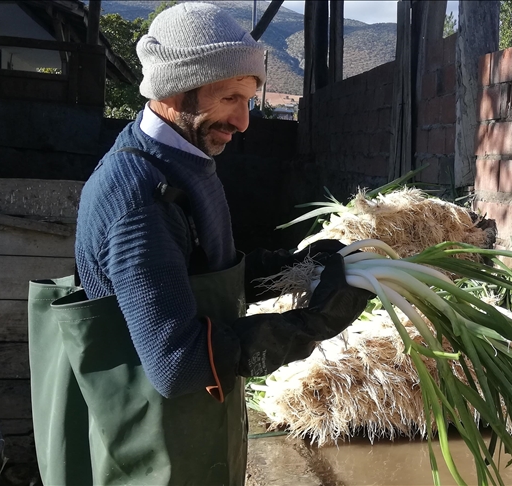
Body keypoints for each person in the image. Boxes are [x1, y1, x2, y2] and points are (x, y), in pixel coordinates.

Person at [27, 3, 370, 485]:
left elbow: (205, 273)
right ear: (174, 87)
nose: (244, 121)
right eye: (231, 96)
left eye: (248, 99)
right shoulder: (140, 198)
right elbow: (177, 365)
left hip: (192, 437)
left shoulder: (182, 161)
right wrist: (311, 324)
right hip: (150, 453)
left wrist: (299, 266)